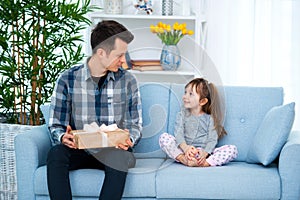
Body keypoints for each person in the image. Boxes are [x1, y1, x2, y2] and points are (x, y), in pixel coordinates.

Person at [46, 20, 142, 200]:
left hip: (113, 150)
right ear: (101, 53)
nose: (124, 60)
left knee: (120, 158)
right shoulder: (67, 79)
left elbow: (135, 124)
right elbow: (56, 124)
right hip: (79, 149)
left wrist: (129, 139)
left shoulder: (128, 81)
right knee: (56, 153)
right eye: (119, 55)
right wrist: (62, 136)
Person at [159, 78, 238, 167]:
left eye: (190, 94)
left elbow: (212, 139)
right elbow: (178, 134)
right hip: (185, 150)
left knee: (232, 149)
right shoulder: (182, 114)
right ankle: (184, 160)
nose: (185, 96)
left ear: (202, 101)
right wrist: (186, 149)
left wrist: (204, 153)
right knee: (164, 138)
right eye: (185, 92)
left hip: (203, 153)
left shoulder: (210, 118)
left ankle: (204, 163)